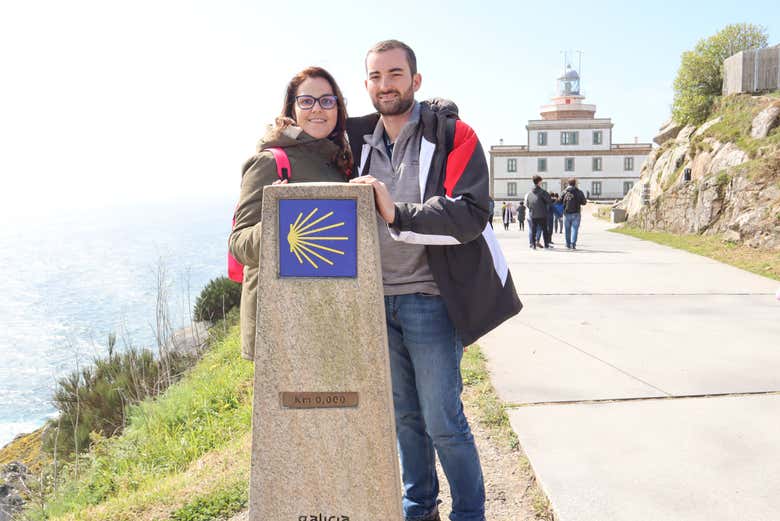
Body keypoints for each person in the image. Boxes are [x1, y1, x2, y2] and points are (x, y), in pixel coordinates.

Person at [347, 40, 521, 521]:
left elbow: (470, 213)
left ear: (416, 81)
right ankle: (418, 510)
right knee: (406, 420)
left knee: (443, 421)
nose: (386, 85)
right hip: (378, 301)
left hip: (430, 300)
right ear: (366, 86)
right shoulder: (355, 140)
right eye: (376, 76)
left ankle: (469, 514)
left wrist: (395, 210)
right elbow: (304, 131)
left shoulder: (452, 134)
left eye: (395, 74)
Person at [229, 67, 352, 361]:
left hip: (326, 314)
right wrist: (277, 217)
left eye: (327, 100)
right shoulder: (270, 161)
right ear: (292, 108)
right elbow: (239, 245)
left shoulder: (339, 161)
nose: (317, 109)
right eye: (307, 101)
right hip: (279, 322)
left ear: (338, 107)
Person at [526, 175, 552, 249]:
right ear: (539, 182)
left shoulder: (530, 193)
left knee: (533, 230)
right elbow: (549, 201)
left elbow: (528, 204)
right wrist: (546, 208)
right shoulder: (543, 192)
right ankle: (546, 244)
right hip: (542, 214)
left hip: (533, 214)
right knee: (545, 230)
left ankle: (533, 245)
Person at [562, 177, 588, 249]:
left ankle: (567, 244)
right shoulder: (579, 192)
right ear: (575, 183)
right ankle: (573, 244)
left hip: (566, 213)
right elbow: (584, 202)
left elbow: (560, 201)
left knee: (567, 230)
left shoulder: (564, 192)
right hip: (576, 213)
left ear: (568, 183)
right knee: (575, 229)